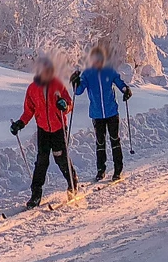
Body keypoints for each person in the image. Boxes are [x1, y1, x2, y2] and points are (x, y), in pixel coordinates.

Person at [11, 54, 76, 206]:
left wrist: (64, 105)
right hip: (43, 130)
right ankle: (36, 195)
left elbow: (69, 104)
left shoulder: (57, 85)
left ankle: (72, 184)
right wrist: (20, 123)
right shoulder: (33, 88)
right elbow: (29, 110)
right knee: (41, 161)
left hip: (59, 128)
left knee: (61, 159)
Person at [72, 46, 133, 182]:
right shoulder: (88, 74)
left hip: (111, 112)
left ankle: (118, 169)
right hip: (97, 114)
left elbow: (119, 82)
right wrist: (75, 82)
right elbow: (78, 91)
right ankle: (101, 170)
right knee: (100, 142)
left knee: (114, 140)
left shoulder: (109, 71)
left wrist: (126, 90)